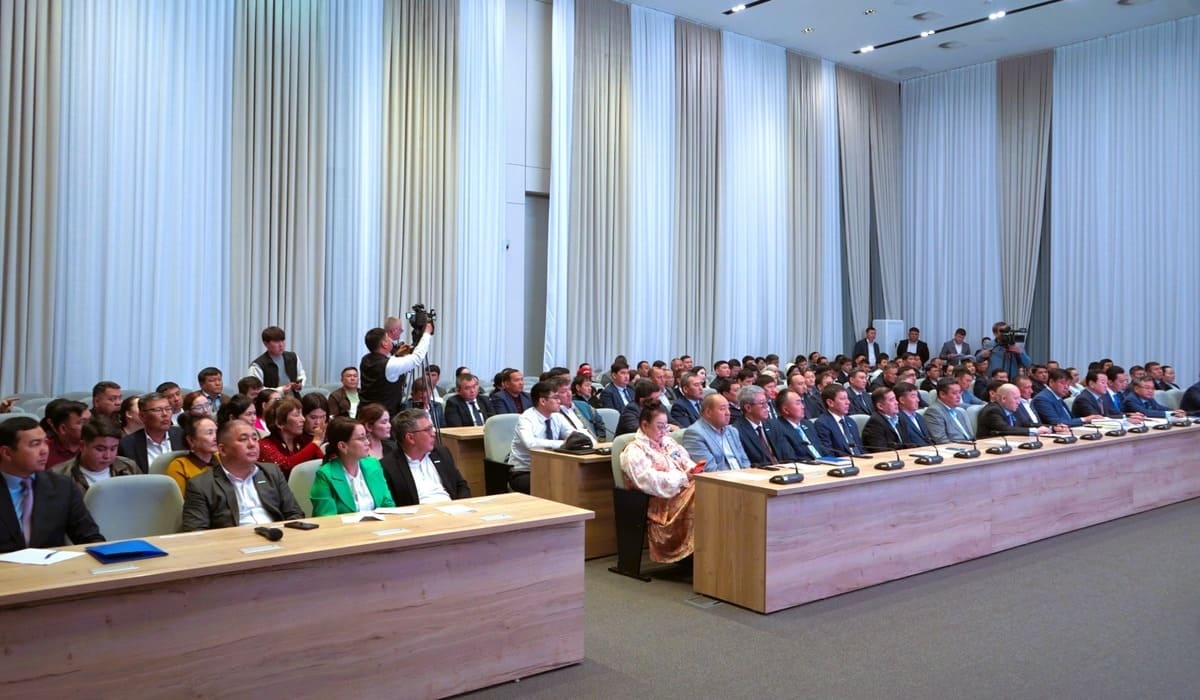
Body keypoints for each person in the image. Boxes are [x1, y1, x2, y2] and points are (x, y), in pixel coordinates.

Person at [0, 416, 105, 552]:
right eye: (35, 444)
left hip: (50, 563)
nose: (44, 451)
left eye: (45, 442)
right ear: (7, 453)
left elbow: (89, 537)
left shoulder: (62, 486)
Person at [181, 419, 305, 530]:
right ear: (222, 449)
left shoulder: (272, 472)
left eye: (255, 438)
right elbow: (196, 532)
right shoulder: (201, 485)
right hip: (233, 544)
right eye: (243, 439)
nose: (252, 444)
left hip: (278, 537)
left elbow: (295, 514)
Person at [620, 404, 700, 564]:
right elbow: (651, 481)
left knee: (707, 489)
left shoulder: (668, 442)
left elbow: (687, 462)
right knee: (701, 493)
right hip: (661, 502)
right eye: (660, 427)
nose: (664, 431)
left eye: (665, 426)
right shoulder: (634, 451)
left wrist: (693, 471)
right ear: (645, 425)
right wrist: (682, 477)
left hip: (683, 490)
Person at [508, 381, 591, 493]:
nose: (559, 401)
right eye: (555, 398)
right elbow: (530, 444)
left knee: (577, 481)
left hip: (552, 468)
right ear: (543, 401)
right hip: (524, 471)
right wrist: (563, 444)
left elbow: (574, 435)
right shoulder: (526, 418)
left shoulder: (557, 417)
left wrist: (578, 439)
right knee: (554, 485)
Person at [382, 409, 470, 505]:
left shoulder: (441, 453)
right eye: (427, 430)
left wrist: (462, 505)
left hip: (452, 508)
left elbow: (461, 485)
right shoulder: (389, 466)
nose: (433, 434)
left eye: (432, 428)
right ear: (410, 438)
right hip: (419, 512)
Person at [309, 418, 395, 515]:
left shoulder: (373, 465)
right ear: (342, 446)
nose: (367, 442)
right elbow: (326, 518)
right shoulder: (325, 475)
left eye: (366, 437)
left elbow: (387, 504)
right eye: (361, 439)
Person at [359, 322, 434, 416]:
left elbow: (386, 370)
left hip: (364, 413)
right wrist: (427, 333)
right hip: (382, 417)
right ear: (384, 344)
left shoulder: (366, 360)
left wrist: (397, 355)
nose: (391, 341)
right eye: (388, 338)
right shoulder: (389, 365)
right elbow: (417, 358)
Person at [51, 417, 140, 494]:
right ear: (82, 446)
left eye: (113, 449)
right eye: (100, 449)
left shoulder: (129, 467)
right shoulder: (59, 476)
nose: (107, 456)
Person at [680, 394, 751, 471]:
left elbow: (745, 461)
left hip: (743, 475)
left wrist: (748, 475)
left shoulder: (732, 431)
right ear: (708, 412)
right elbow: (709, 470)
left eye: (728, 408)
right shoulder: (694, 434)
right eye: (722, 409)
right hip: (720, 477)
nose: (728, 413)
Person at [731, 386, 798, 466]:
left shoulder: (774, 424)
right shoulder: (737, 431)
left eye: (766, 402)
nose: (767, 407)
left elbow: (787, 453)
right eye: (762, 403)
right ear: (748, 408)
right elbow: (750, 462)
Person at [118, 392, 184, 473]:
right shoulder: (127, 445)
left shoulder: (183, 436)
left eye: (168, 409)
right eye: (158, 410)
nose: (165, 414)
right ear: (142, 416)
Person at [257, 397, 324, 476]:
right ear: (280, 423)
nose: (303, 419)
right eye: (296, 415)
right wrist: (316, 443)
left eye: (302, 414)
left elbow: (323, 463)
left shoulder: (303, 439)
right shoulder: (264, 445)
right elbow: (285, 467)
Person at [165, 415, 221, 496]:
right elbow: (179, 501)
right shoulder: (180, 466)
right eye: (210, 433)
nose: (216, 438)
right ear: (191, 440)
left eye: (217, 432)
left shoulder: (223, 458)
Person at [246, 325, 306, 398]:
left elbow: (301, 374)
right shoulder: (258, 365)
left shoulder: (293, 357)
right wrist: (280, 390)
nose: (281, 345)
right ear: (266, 344)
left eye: (282, 340)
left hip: (293, 399)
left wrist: (300, 384)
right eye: (276, 341)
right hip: (271, 401)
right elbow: (256, 390)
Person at [978, 384, 1053, 438]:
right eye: (1016, 398)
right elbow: (1006, 429)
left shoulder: (1011, 408)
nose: (1018, 402)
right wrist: (1035, 431)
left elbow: (1026, 424)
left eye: (1019, 398)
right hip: (989, 446)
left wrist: (1051, 427)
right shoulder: (992, 411)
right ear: (1004, 398)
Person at [813, 384, 866, 456]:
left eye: (847, 398)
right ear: (830, 403)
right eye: (843, 399)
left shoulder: (850, 421)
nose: (848, 402)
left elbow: (861, 448)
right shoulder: (822, 424)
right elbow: (828, 452)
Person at [923, 378, 976, 444]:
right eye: (954, 393)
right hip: (955, 448)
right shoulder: (934, 412)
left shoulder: (959, 412)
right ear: (942, 394)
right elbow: (941, 441)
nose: (959, 396)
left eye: (959, 392)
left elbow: (970, 437)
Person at [42, 399, 90, 469]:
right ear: (63, 429)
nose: (91, 425)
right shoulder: (44, 451)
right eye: (83, 422)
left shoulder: (98, 446)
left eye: (91, 420)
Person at [861, 387, 905, 453]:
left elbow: (907, 443)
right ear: (880, 406)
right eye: (891, 400)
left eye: (895, 399)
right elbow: (880, 451)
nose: (896, 402)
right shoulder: (875, 424)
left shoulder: (900, 419)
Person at [893, 382, 933, 446]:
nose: (918, 400)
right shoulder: (897, 419)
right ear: (902, 400)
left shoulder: (919, 417)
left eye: (917, 396)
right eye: (913, 397)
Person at [570, 374, 607, 439]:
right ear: (578, 387)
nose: (590, 388)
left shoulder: (594, 400)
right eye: (587, 386)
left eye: (590, 386)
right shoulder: (574, 403)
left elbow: (599, 423)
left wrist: (600, 437)